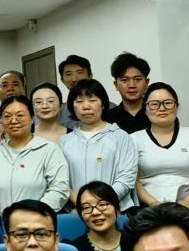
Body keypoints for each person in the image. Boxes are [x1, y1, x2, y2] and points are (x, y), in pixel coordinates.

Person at [0, 95, 71, 211]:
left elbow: (59, 189)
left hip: (39, 219)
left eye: (20, 115)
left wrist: (35, 215)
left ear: (32, 118)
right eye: (7, 116)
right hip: (2, 220)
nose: (13, 120)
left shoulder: (49, 150)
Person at [133, 83, 189, 214]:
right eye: (154, 104)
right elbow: (132, 179)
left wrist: (187, 203)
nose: (162, 108)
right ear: (145, 109)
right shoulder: (133, 139)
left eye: (168, 103)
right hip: (148, 210)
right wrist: (153, 204)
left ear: (176, 106)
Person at [59, 79, 138, 211]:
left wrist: (101, 204)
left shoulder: (120, 137)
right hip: (76, 211)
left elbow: (127, 177)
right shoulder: (65, 141)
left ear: (103, 104)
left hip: (116, 210)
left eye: (92, 100)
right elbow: (61, 180)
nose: (86, 106)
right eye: (79, 101)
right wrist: (82, 204)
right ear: (72, 106)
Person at [66, 181, 122, 251]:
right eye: (86, 208)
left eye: (102, 204)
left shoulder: (137, 243)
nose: (95, 212)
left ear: (117, 209)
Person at [104, 53, 150, 133]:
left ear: (147, 83)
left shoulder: (157, 113)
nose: (132, 85)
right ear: (116, 85)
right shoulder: (106, 118)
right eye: (124, 80)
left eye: (138, 79)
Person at [56, 54, 93, 132]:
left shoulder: (109, 107)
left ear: (90, 76)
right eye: (68, 74)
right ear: (62, 80)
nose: (74, 79)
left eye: (79, 72)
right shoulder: (58, 112)